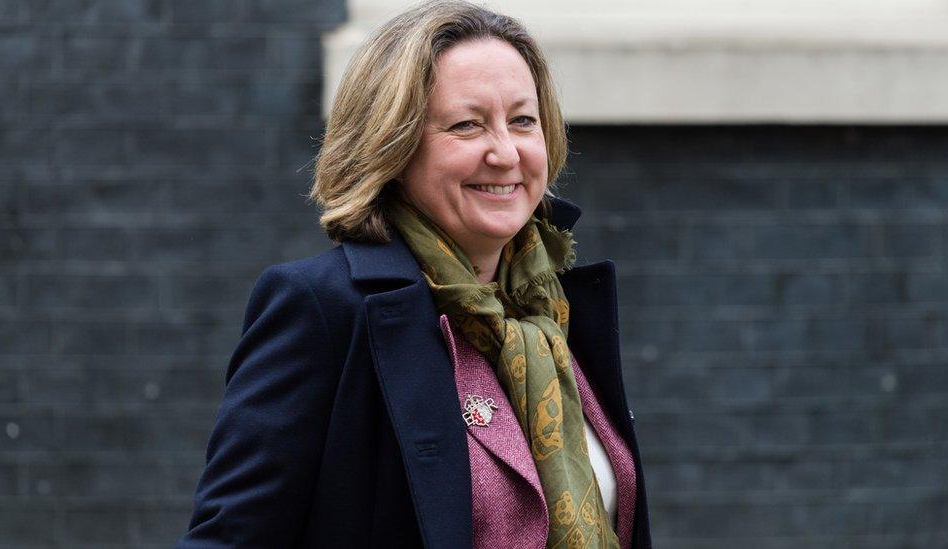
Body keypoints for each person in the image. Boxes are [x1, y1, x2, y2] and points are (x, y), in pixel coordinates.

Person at [177, 1, 650, 547]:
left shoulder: (550, 313)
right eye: (467, 125)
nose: (505, 152)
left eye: (523, 120)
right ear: (393, 147)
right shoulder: (323, 309)